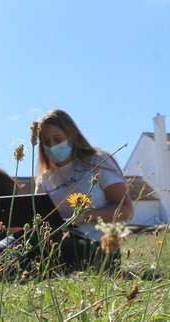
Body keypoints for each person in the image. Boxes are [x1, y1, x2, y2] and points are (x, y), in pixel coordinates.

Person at [34, 109, 133, 269]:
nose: (52, 146)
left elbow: (126, 210)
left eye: (57, 139)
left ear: (71, 136)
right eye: (46, 142)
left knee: (61, 247)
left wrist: (85, 217)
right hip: (56, 242)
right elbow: (39, 217)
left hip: (96, 245)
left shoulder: (98, 161)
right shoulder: (44, 180)